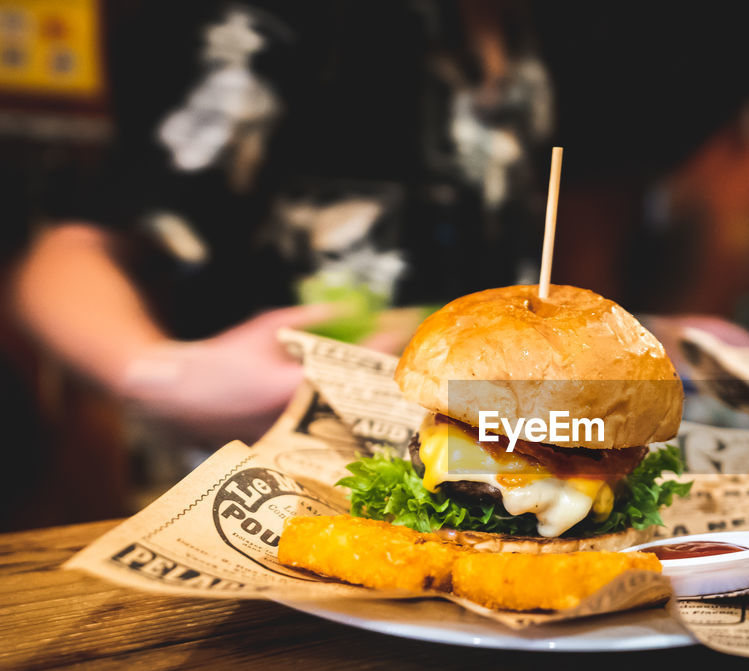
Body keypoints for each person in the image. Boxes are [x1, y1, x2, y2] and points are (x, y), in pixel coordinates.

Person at [8, 0, 550, 446]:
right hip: (260, 483)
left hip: (475, 462)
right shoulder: (274, 21)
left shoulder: (526, 36)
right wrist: (163, 376)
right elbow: (72, 250)